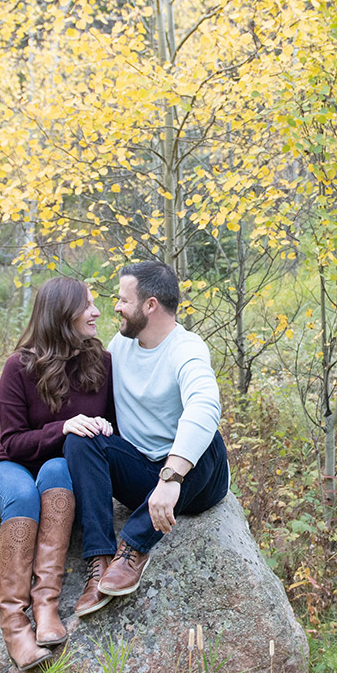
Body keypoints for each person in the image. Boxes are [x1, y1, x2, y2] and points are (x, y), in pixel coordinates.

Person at [65, 261, 229, 616]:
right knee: (81, 438)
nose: (115, 307)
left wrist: (171, 478)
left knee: (209, 438)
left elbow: (204, 404)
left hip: (194, 484)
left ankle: (134, 548)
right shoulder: (120, 346)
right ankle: (99, 563)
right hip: (142, 475)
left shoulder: (186, 348)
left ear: (150, 305)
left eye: (123, 299)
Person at [0, 277, 117, 670]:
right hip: (8, 470)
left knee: (57, 468)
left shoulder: (101, 364)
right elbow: (12, 441)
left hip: (57, 474)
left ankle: (46, 606)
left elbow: (113, 428)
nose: (97, 312)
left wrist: (104, 431)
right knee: (23, 495)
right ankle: (15, 626)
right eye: (87, 305)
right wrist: (66, 426)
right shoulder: (19, 367)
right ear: (62, 314)